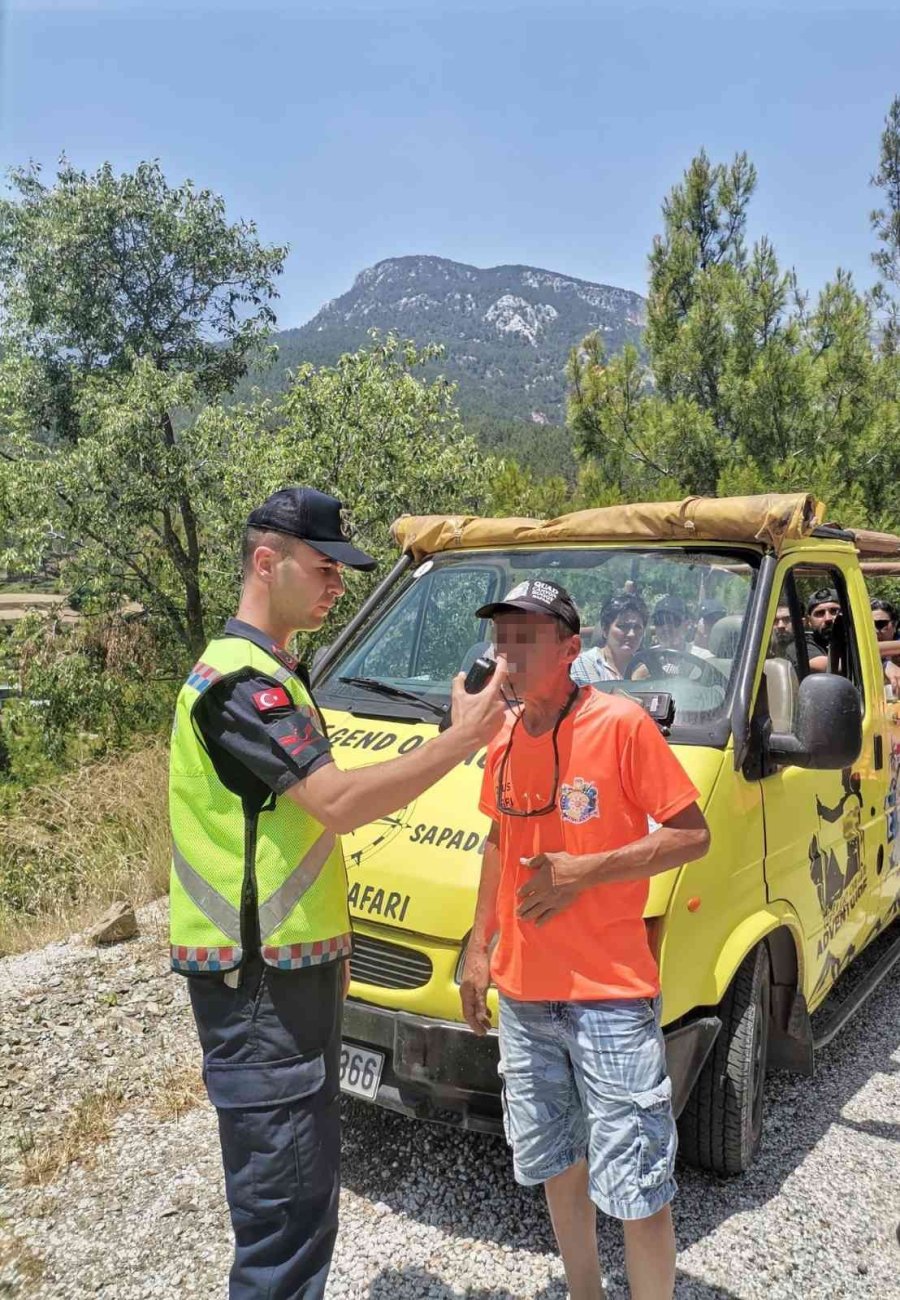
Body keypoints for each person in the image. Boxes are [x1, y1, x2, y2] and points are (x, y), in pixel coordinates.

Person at [169, 487, 508, 1300]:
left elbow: (292, 841)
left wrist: (337, 949)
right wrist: (462, 740)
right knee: (283, 1222)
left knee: (306, 1203)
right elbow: (340, 804)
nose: (336, 586)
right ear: (265, 562)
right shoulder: (242, 687)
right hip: (258, 992)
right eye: (323, 568)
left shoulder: (278, 673)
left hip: (292, 979)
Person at [459, 578, 710, 1300]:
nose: (508, 651)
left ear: (571, 649)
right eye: (502, 635)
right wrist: (481, 950)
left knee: (636, 1182)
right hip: (527, 995)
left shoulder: (622, 725)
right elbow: (497, 840)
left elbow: (692, 836)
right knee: (556, 1164)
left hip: (609, 995)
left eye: (526, 636)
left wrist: (583, 872)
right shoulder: (500, 734)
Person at [571, 593, 647, 685]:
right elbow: (593, 698)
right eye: (623, 626)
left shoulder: (647, 666)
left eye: (637, 627)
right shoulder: (585, 663)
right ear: (605, 630)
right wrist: (635, 685)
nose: (631, 634)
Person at [871, 598, 900, 693]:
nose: (874, 630)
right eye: (869, 626)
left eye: (880, 624)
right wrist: (885, 665)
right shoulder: (853, 654)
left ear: (895, 625)